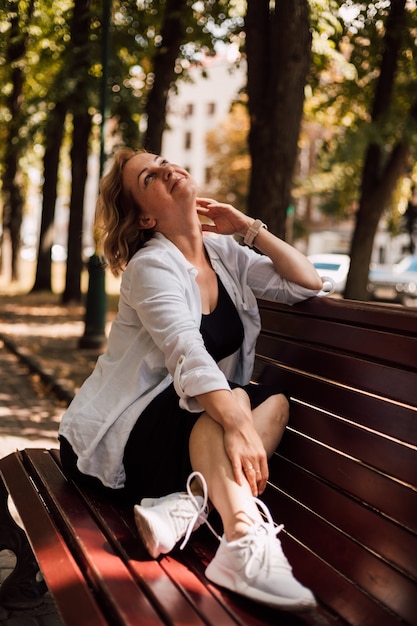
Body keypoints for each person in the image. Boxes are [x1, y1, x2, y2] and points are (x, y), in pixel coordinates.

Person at [58, 149, 324, 612]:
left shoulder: (222, 252)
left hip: (186, 425)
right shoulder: (150, 267)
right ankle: (241, 540)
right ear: (144, 217)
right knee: (223, 406)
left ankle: (189, 506)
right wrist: (238, 425)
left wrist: (247, 227)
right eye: (150, 177)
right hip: (117, 440)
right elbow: (188, 353)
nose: (167, 170)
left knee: (274, 403)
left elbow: (306, 283)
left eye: (163, 162)